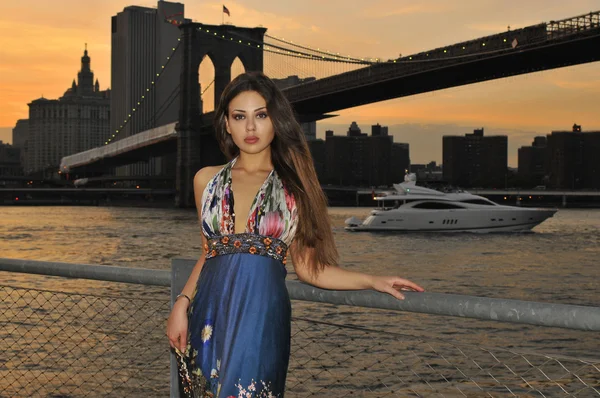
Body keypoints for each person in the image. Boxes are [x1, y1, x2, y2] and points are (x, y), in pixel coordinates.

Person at [166, 71, 424, 397]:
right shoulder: (206, 181)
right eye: (239, 117)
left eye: (260, 115)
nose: (250, 127)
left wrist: (372, 280)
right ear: (226, 125)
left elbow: (308, 268)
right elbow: (209, 253)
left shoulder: (294, 184)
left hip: (260, 323)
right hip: (207, 318)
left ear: (276, 120)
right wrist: (181, 305)